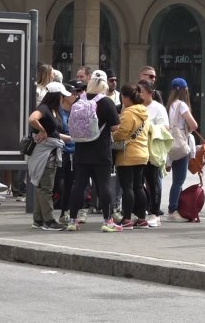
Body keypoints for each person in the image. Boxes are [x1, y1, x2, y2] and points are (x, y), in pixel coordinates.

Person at [67, 70, 122, 232]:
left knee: (79, 186)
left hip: (81, 151)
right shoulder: (106, 102)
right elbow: (115, 128)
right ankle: (107, 220)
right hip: (101, 151)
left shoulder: (79, 100)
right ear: (104, 84)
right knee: (104, 186)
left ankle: (72, 220)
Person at [27, 81, 72, 231]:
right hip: (45, 153)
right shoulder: (44, 108)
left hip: (51, 151)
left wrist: (71, 138)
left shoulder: (53, 110)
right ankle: (49, 220)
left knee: (41, 186)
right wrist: (43, 131)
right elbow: (32, 119)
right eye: (61, 96)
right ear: (56, 96)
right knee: (45, 187)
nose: (63, 99)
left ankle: (38, 219)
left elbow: (54, 133)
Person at [112, 84, 150, 230]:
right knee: (138, 186)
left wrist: (112, 135)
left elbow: (122, 134)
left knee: (127, 187)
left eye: (122, 97)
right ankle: (141, 219)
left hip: (128, 154)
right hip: (142, 154)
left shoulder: (128, 113)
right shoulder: (144, 111)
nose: (122, 100)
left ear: (127, 97)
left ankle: (127, 218)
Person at [165, 77, 198, 222]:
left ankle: (173, 208)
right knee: (179, 179)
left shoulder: (169, 105)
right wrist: (187, 131)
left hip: (170, 143)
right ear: (185, 90)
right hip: (180, 144)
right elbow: (194, 124)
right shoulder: (182, 105)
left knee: (175, 179)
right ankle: (173, 209)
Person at [138, 79, 170, 227]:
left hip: (151, 150)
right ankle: (142, 210)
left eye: (141, 91)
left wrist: (148, 126)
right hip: (137, 150)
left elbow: (165, 127)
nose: (138, 94)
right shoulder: (135, 106)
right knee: (137, 182)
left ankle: (155, 213)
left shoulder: (158, 108)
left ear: (150, 93)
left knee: (153, 180)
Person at [54, 80, 81, 224]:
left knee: (71, 183)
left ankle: (65, 212)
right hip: (61, 151)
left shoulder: (77, 109)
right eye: (72, 93)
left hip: (75, 152)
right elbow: (54, 131)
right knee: (58, 183)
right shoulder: (57, 111)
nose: (75, 95)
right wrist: (68, 137)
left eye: (77, 92)